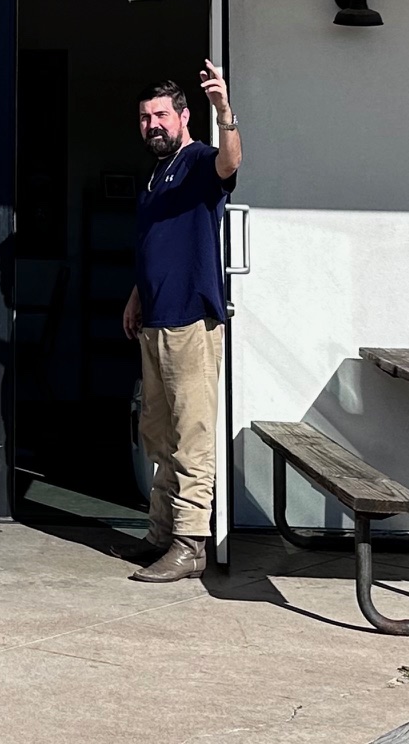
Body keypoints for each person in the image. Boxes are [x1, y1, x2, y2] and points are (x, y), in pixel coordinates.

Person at [122, 60, 242, 583]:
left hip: (191, 323)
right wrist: (135, 296)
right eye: (146, 117)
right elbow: (156, 246)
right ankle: (162, 533)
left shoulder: (197, 162)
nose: (153, 124)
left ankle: (191, 544)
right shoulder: (156, 174)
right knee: (159, 435)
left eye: (161, 115)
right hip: (154, 321)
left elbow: (230, 165)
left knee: (190, 437)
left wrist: (225, 111)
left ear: (183, 116)